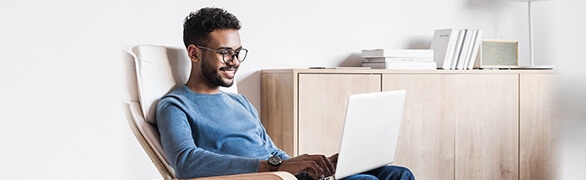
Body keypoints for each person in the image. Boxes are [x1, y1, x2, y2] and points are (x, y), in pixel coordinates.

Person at [156, 7, 414, 180]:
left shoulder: (240, 102)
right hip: (263, 178)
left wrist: (310, 167)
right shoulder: (176, 106)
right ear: (194, 52)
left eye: (238, 52)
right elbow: (187, 162)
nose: (234, 61)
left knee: (397, 174)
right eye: (225, 52)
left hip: (281, 176)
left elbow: (271, 151)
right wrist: (276, 167)